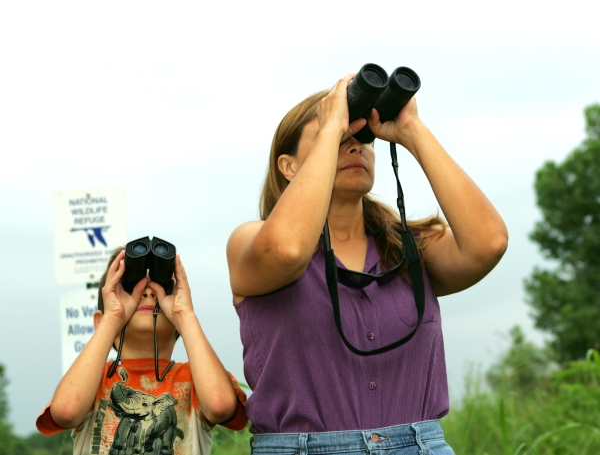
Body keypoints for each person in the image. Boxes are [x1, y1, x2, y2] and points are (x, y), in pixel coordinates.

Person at [226, 73, 508, 454]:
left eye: (363, 139)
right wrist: (331, 125)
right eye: (341, 139)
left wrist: (411, 129)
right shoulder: (250, 243)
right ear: (288, 166)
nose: (355, 147)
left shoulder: (409, 249)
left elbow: (488, 243)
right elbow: (289, 250)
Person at [37, 247, 248, 454]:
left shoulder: (197, 380)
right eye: (130, 288)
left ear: (179, 324)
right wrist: (112, 319)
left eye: (161, 287)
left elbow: (220, 406)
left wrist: (185, 315)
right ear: (100, 321)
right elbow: (66, 411)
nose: (147, 292)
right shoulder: (91, 382)